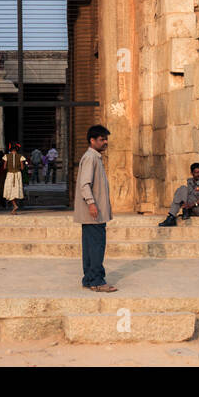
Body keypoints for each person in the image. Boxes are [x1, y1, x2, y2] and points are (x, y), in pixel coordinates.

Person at [74, 124, 115, 292]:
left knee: (91, 246)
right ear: (92, 141)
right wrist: (91, 203)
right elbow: (85, 184)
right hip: (93, 212)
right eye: (101, 139)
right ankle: (97, 281)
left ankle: (89, 278)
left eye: (106, 139)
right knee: (96, 245)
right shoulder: (91, 158)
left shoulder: (94, 157)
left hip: (94, 212)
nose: (105, 142)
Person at [157, 162, 199, 227]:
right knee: (182, 189)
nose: (198, 174)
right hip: (192, 208)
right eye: (196, 172)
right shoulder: (190, 182)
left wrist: (190, 205)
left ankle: (173, 216)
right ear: (192, 173)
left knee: (182, 189)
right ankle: (173, 216)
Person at [3, 142, 26, 214]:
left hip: (10, 174)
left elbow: (4, 167)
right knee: (16, 190)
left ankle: (14, 205)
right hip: (17, 174)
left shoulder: (6, 156)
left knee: (10, 190)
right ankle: (14, 206)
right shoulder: (20, 156)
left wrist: (9, 168)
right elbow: (22, 168)